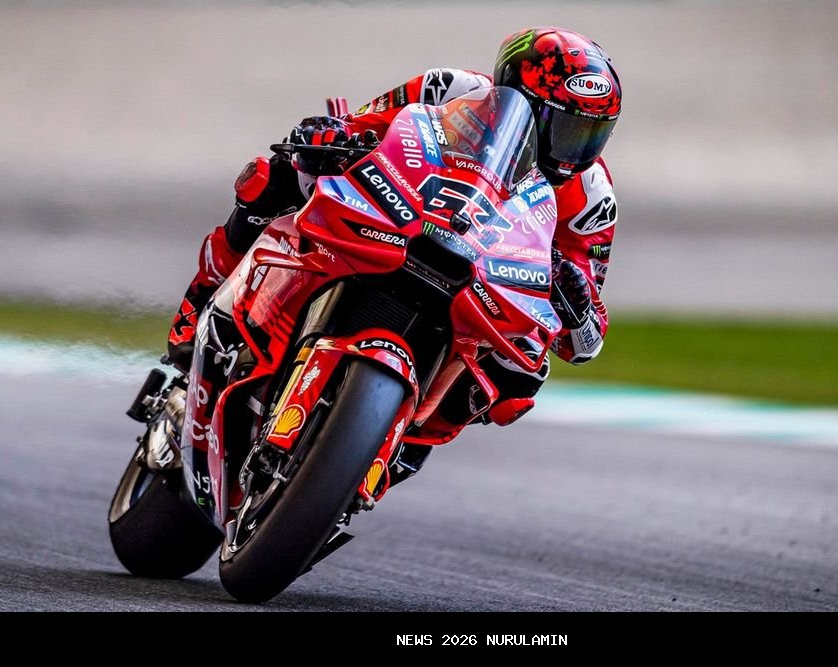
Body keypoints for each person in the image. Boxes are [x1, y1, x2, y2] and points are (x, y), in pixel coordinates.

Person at [167, 26, 621, 426]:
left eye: (589, 134)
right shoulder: (450, 89)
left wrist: (577, 303)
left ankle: (409, 443)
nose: (572, 151)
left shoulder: (593, 197)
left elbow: (586, 342)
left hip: (480, 283)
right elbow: (357, 127)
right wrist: (327, 136)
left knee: (526, 364)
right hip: (395, 216)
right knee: (278, 175)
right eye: (563, 128)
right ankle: (200, 302)